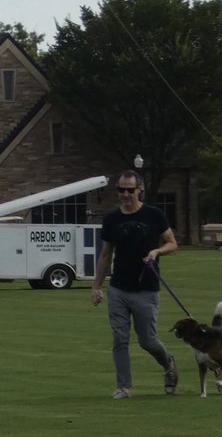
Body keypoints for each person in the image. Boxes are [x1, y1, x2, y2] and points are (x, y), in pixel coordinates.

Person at [91, 169, 179, 398]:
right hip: (119, 288)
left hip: (146, 289)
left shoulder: (154, 215)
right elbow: (105, 255)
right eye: (121, 190)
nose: (125, 194)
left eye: (130, 190)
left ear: (140, 190)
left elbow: (172, 243)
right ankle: (124, 387)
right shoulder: (112, 220)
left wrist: (157, 251)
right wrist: (97, 286)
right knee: (120, 339)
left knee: (148, 341)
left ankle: (168, 364)